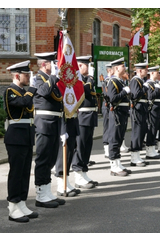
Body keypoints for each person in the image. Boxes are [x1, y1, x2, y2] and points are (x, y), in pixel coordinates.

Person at [32, 52, 70, 204]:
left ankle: (47, 191)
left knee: (51, 159)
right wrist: (54, 78)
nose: (55, 66)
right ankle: (41, 194)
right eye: (52, 63)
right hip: (44, 123)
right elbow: (43, 92)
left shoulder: (50, 80)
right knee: (43, 159)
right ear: (43, 65)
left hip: (54, 122)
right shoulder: (37, 79)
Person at [4, 60, 38, 223]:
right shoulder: (10, 91)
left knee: (25, 172)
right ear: (17, 75)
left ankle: (21, 203)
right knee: (16, 173)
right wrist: (31, 90)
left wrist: (29, 91)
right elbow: (22, 103)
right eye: (26, 74)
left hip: (26, 135)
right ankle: (12, 207)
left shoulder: (23, 92)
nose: (29, 77)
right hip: (16, 137)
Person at [71, 56, 99, 189]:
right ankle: (78, 174)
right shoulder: (77, 79)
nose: (89, 67)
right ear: (81, 66)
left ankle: (84, 171)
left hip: (90, 115)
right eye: (87, 65)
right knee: (80, 146)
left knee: (87, 145)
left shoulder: (87, 79)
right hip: (82, 115)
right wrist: (90, 79)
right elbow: (86, 91)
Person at [107, 57, 132, 176]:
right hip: (116, 114)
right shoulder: (113, 81)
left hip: (122, 113)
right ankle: (113, 166)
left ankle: (118, 162)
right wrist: (124, 92)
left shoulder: (120, 81)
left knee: (120, 137)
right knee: (115, 139)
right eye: (123, 66)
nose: (125, 68)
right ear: (116, 68)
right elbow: (112, 98)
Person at [129, 62, 149, 167]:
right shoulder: (135, 80)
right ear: (140, 70)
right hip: (137, 109)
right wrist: (145, 88)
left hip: (142, 108)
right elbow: (135, 95)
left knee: (142, 131)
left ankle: (137, 155)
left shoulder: (140, 81)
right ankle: (134, 157)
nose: (147, 72)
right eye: (145, 70)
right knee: (137, 132)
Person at [144, 66, 160, 159]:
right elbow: (150, 96)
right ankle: (149, 150)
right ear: (151, 73)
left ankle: (152, 149)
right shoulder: (148, 84)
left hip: (157, 108)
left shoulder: (156, 83)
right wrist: (156, 89)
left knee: (155, 128)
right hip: (153, 109)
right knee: (151, 129)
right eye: (157, 72)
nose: (159, 74)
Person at [101, 63, 113, 158]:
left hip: (111, 106)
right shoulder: (106, 80)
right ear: (109, 70)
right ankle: (106, 149)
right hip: (107, 106)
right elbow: (106, 94)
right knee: (107, 127)